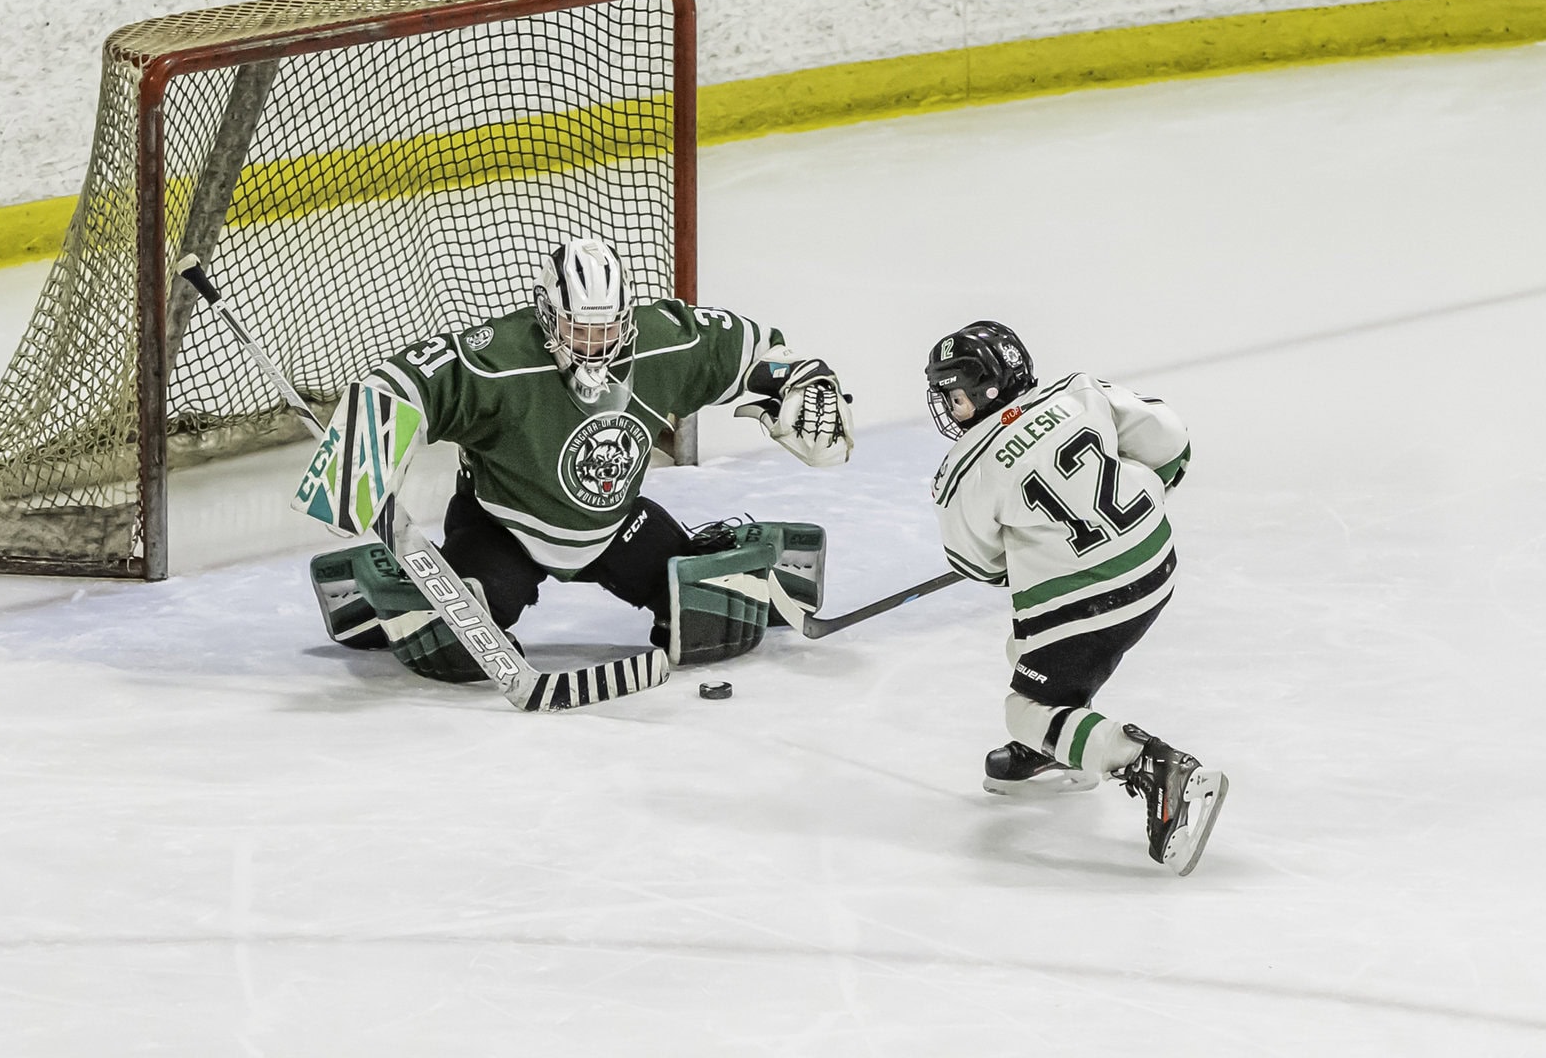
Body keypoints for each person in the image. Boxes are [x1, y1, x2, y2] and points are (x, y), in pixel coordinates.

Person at [313, 234, 852, 680]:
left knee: (710, 619)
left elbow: (753, 350)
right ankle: (377, 587)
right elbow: (402, 381)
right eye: (580, 329)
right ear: (548, 316)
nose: (597, 345)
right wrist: (363, 451)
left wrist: (798, 381)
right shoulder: (499, 357)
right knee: (453, 644)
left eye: (609, 328)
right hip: (503, 526)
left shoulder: (661, 341)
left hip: (614, 524)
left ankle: (749, 564)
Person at [922, 320, 1227, 875]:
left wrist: (1026, 551)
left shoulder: (964, 470)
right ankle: (1062, 743)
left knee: (1024, 710)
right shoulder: (1079, 390)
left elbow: (977, 563)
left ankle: (1148, 762)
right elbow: (1169, 439)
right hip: (1157, 565)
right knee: (1029, 652)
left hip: (1086, 609)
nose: (951, 406)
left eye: (956, 393)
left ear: (988, 388)